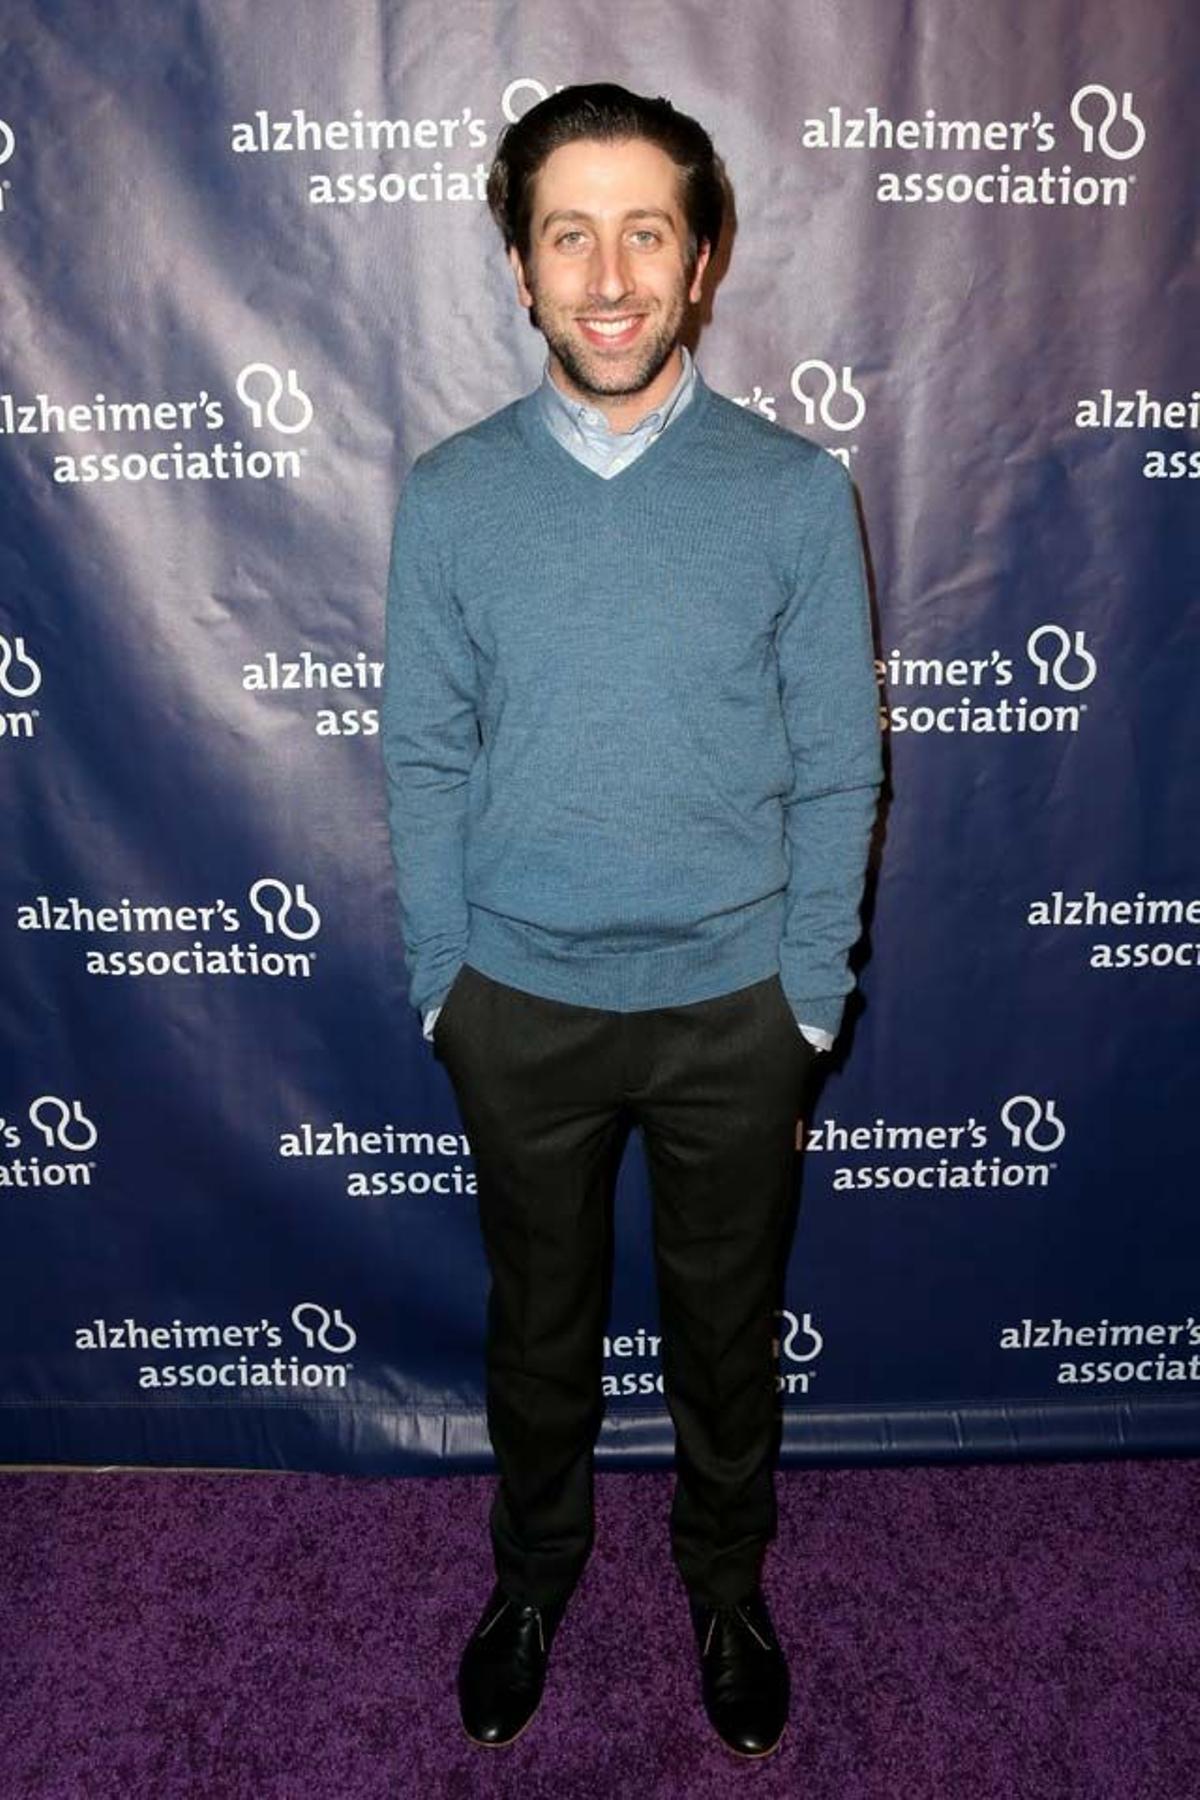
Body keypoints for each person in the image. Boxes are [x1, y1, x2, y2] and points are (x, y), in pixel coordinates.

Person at [381, 82, 882, 1759]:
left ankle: (727, 1589)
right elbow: (424, 756)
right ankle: (532, 1580)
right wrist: (445, 981)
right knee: (539, 1337)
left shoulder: (796, 497)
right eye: (567, 234)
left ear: (705, 257)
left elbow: (839, 769)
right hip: (517, 1006)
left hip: (736, 1008)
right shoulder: (452, 499)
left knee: (727, 1344)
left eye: (644, 231)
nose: (608, 273)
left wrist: (806, 999)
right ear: (520, 270)